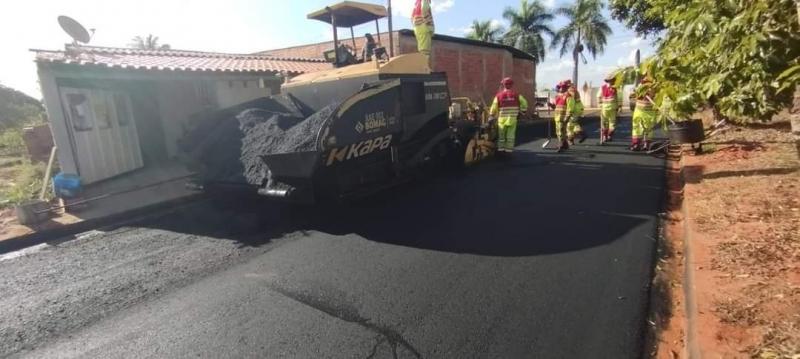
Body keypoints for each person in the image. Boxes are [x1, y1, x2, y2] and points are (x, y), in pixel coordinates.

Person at [489, 77, 528, 155]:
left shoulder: (499, 95)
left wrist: (491, 115)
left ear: (503, 85)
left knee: (501, 137)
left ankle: (501, 150)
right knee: (510, 136)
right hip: (512, 119)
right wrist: (522, 112)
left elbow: (494, 106)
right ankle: (508, 151)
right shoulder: (517, 95)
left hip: (502, 120)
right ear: (511, 85)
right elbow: (524, 103)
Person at [631, 76, 657, 151]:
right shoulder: (641, 86)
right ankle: (639, 144)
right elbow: (634, 94)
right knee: (639, 127)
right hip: (641, 110)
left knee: (645, 127)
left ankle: (643, 144)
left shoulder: (653, 88)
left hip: (647, 111)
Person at [597, 73, 620, 143]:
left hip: (610, 108)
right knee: (606, 123)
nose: (613, 82)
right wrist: (600, 105)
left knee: (610, 124)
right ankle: (605, 136)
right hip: (606, 108)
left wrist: (618, 107)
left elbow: (617, 98)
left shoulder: (614, 88)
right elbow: (598, 96)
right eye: (612, 80)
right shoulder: (604, 88)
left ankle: (608, 135)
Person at [548, 81, 570, 152]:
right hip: (557, 116)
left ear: (565, 88)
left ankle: (560, 145)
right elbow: (555, 107)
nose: (560, 88)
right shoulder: (557, 96)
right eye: (560, 87)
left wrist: (567, 117)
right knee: (559, 131)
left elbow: (570, 108)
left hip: (563, 117)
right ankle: (565, 144)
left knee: (561, 131)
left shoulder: (568, 96)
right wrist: (550, 105)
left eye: (562, 87)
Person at [412, 0, 434, 65]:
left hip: (418, 29)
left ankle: (422, 66)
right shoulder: (424, 1)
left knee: (421, 49)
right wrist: (427, 23)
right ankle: (424, 67)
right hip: (424, 28)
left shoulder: (416, 3)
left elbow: (412, 16)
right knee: (425, 50)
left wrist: (415, 25)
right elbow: (424, 9)